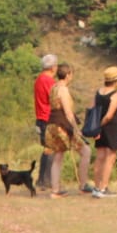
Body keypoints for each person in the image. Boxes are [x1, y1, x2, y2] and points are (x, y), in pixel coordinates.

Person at [87, 66, 117, 197]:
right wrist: (100, 125)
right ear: (115, 81)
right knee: (110, 158)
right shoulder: (115, 95)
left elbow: (91, 108)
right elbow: (109, 115)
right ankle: (103, 187)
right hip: (110, 128)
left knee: (99, 157)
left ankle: (96, 187)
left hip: (99, 129)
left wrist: (94, 127)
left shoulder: (98, 92)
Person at [42, 64, 80, 198]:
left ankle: (55, 189)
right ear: (68, 75)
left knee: (57, 157)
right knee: (60, 157)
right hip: (60, 124)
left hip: (51, 123)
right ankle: (57, 189)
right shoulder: (63, 89)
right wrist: (76, 128)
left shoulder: (53, 87)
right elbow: (68, 112)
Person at [33, 53, 58, 189]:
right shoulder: (48, 81)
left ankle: (42, 179)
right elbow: (54, 99)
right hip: (47, 117)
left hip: (41, 117)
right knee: (50, 148)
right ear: (53, 67)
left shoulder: (39, 79)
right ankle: (45, 180)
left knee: (48, 148)